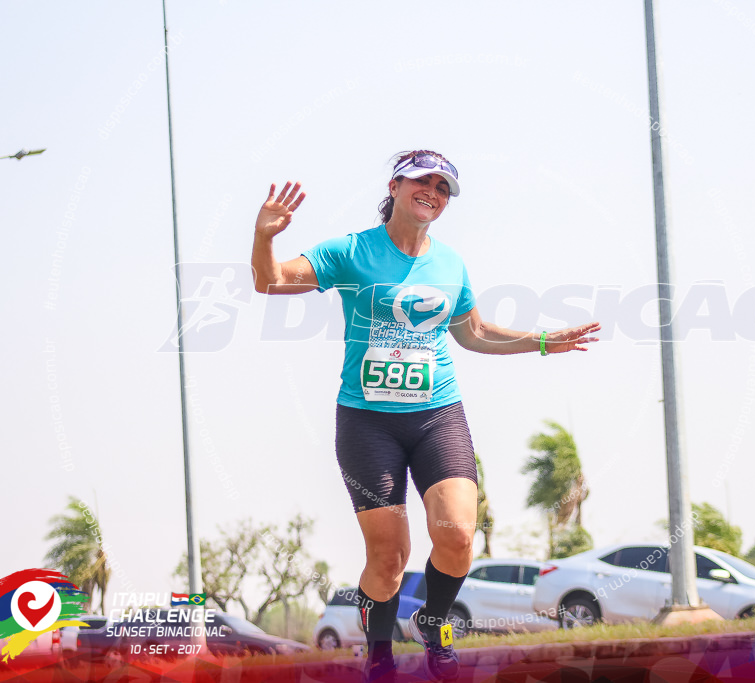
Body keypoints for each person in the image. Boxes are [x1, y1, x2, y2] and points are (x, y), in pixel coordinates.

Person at [251, 150, 600, 681]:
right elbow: (270, 281)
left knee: (458, 534)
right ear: (394, 186)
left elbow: (475, 333)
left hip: (437, 414)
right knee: (390, 558)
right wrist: (266, 238)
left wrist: (544, 341)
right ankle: (379, 653)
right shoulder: (351, 252)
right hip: (368, 422)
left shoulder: (450, 263)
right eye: (423, 181)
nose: (433, 192)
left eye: (443, 187)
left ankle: (434, 620)